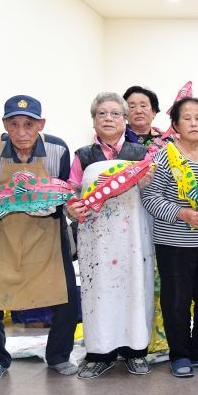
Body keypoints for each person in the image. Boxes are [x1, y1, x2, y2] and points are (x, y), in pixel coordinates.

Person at [0, 95, 79, 384]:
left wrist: (56, 207)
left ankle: (59, 355)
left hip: (47, 232)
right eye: (14, 124)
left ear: (40, 124)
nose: (21, 132)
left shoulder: (57, 149)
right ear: (4, 124)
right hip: (4, 232)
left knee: (66, 294)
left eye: (29, 124)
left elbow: (67, 191)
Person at [66, 92, 155, 379]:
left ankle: (135, 352)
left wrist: (147, 181)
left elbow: (153, 193)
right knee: (99, 291)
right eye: (102, 114)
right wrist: (72, 208)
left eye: (115, 114)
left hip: (134, 238)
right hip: (97, 239)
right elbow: (71, 192)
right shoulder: (82, 156)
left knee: (135, 288)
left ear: (125, 120)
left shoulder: (141, 153)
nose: (108, 119)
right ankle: (99, 354)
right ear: (93, 120)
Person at [142, 97, 198, 377]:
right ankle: (179, 355)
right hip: (173, 245)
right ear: (176, 125)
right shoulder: (163, 158)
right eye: (186, 118)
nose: (193, 123)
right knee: (176, 302)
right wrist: (182, 214)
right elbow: (150, 198)